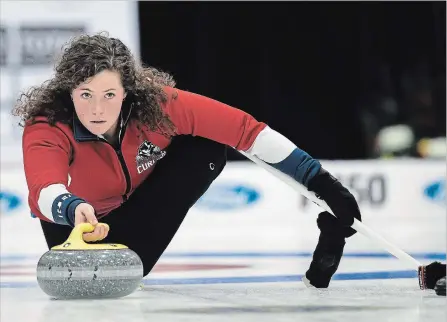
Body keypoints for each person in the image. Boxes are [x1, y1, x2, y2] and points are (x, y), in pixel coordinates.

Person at [13, 33, 361, 289]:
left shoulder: (160, 107)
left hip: (136, 225)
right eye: (85, 95)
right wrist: (72, 207)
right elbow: (44, 187)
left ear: (127, 92)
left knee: (206, 147)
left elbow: (248, 132)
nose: (97, 110)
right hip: (74, 229)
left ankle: (328, 243)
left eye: (109, 95)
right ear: (68, 93)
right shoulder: (49, 123)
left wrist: (323, 184)